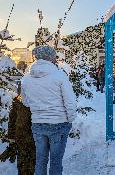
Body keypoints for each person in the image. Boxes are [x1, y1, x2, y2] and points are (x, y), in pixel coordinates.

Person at [21, 45, 77, 175]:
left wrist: (38, 108)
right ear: (51, 58)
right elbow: (70, 102)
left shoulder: (26, 78)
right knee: (56, 162)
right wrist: (70, 119)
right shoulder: (60, 76)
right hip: (59, 124)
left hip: (38, 124)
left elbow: (26, 102)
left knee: (40, 160)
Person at [0, 82, 36, 175]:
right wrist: (11, 139)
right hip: (22, 140)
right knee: (23, 165)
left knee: (31, 165)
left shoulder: (35, 102)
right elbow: (12, 122)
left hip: (32, 141)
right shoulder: (17, 102)